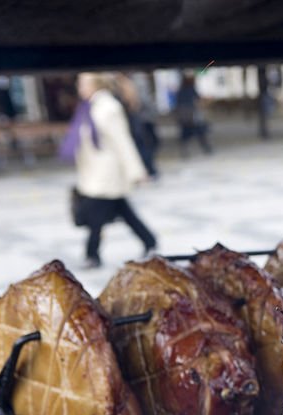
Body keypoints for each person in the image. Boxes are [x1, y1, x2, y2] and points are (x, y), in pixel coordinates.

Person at [60, 72, 157, 269]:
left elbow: (123, 142)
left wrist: (136, 171)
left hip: (107, 174)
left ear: (96, 84)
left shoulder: (109, 108)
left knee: (96, 218)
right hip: (94, 172)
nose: (80, 88)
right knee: (125, 213)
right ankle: (149, 241)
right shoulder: (90, 107)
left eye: (83, 84)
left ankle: (92, 254)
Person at [114, 73, 159, 178]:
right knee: (142, 146)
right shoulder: (125, 84)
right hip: (136, 121)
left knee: (142, 146)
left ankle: (149, 170)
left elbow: (135, 103)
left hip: (136, 121)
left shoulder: (127, 83)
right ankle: (149, 170)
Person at [173, 73, 212, 157]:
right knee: (200, 131)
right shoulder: (191, 89)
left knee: (186, 135)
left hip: (183, 116)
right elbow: (198, 100)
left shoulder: (180, 91)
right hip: (191, 116)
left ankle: (185, 151)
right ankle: (206, 148)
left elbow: (177, 105)